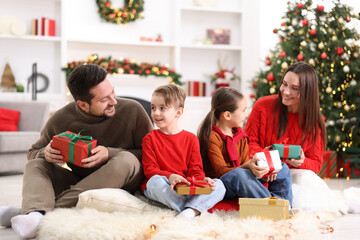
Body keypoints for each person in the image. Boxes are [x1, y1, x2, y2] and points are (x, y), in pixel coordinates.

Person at [0, 64, 153, 238]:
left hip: (126, 182)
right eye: (104, 100)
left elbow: (152, 154)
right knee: (36, 164)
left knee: (126, 159)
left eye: (113, 92)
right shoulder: (61, 119)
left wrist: (109, 153)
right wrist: (46, 153)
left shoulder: (133, 110)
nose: (114, 101)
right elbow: (32, 153)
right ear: (82, 104)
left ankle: (34, 213)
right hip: (80, 180)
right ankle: (35, 214)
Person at [245, 62, 346, 213]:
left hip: (293, 177)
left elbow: (316, 163)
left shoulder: (315, 122)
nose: (286, 92)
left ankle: (335, 204)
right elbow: (247, 143)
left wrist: (302, 162)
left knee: (307, 183)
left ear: (307, 92)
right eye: (284, 84)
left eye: (294, 88)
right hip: (261, 172)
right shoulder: (263, 106)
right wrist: (265, 157)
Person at [141, 84, 225, 219]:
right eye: (153, 108)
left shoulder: (191, 139)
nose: (156, 113)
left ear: (178, 112)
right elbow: (150, 170)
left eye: (162, 108)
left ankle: (188, 212)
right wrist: (170, 176)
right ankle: (193, 209)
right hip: (165, 185)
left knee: (220, 185)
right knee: (154, 181)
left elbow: (196, 170)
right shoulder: (149, 139)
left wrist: (203, 181)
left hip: (186, 187)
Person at [197, 87, 292, 204]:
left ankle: (284, 205)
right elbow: (221, 172)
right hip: (222, 183)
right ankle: (272, 205)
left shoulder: (241, 136)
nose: (246, 115)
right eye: (243, 111)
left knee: (281, 166)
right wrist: (247, 167)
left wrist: (262, 171)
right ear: (227, 115)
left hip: (242, 176)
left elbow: (245, 165)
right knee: (239, 174)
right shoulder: (212, 137)